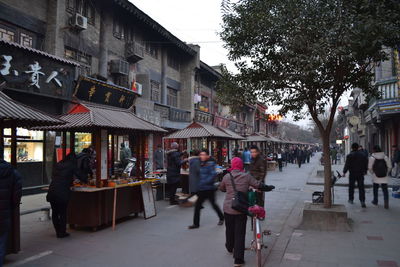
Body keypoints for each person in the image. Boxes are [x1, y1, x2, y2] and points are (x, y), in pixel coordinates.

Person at [219, 157, 274, 267]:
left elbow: (221, 188)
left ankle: (230, 247)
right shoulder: (246, 176)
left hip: (228, 208)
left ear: (232, 165)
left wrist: (229, 189)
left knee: (229, 229)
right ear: (241, 165)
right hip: (241, 209)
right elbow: (258, 185)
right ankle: (238, 260)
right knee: (240, 233)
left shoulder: (226, 176)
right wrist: (269, 187)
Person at [46, 153, 87, 238]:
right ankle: (62, 232)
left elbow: (57, 177)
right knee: (63, 213)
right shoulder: (71, 165)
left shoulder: (58, 164)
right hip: (62, 192)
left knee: (55, 212)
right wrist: (86, 179)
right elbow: (80, 175)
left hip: (52, 191)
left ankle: (58, 231)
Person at [188, 149, 224, 229]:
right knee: (197, 207)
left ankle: (221, 217)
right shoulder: (200, 163)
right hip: (201, 189)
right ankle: (196, 224)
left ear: (207, 156)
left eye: (204, 155)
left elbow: (212, 175)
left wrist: (204, 182)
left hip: (209, 189)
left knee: (214, 205)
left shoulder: (210, 164)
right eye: (201, 155)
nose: (202, 156)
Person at [0, 157, 22, 266]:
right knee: (2, 241)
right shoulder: (12, 171)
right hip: (4, 213)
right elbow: (17, 193)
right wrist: (13, 206)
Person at [343, 143, 368, 208]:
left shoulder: (349, 155)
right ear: (358, 147)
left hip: (352, 173)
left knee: (351, 187)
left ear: (352, 148)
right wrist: (365, 171)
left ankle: (351, 199)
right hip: (360, 173)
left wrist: (344, 172)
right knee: (361, 187)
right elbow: (365, 164)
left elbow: (347, 165)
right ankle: (362, 201)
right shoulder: (363, 155)